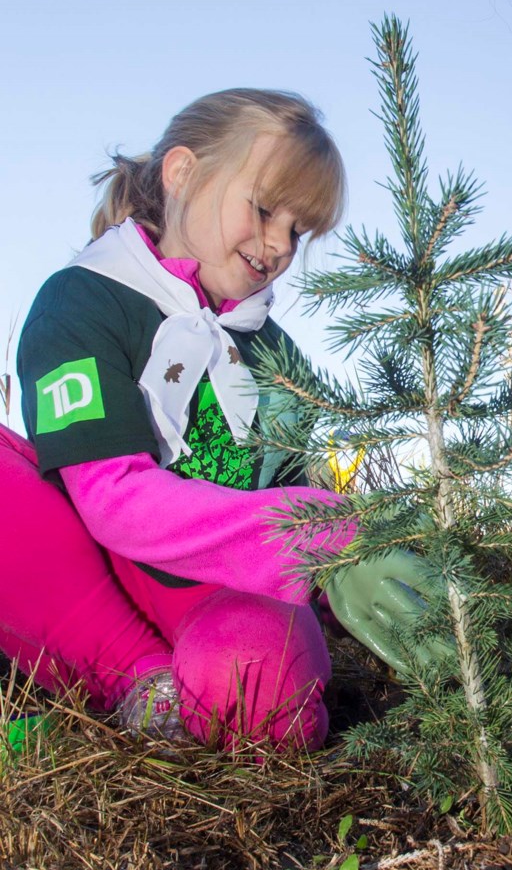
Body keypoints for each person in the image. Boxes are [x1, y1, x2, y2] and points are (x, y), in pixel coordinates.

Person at [3, 88, 423, 751]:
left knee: (257, 685)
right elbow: (110, 500)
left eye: (300, 228)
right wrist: (321, 534)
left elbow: (284, 485)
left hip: (216, 591)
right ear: (182, 173)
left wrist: (343, 585)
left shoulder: (276, 356)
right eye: (262, 208)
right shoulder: (82, 299)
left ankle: (108, 711)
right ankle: (135, 682)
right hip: (88, 569)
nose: (280, 243)